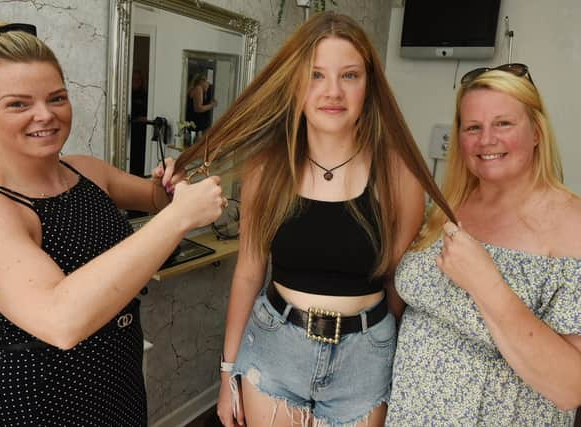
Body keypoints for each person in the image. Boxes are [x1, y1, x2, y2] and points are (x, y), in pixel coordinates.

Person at [174, 12, 454, 427]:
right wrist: (226, 373)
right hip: (275, 349)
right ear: (295, 85)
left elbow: (397, 281)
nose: (333, 92)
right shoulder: (267, 166)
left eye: (350, 76)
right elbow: (250, 272)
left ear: (369, 86)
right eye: (316, 75)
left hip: (365, 359)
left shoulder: (398, 173)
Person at [0, 19, 225, 426]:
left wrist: (171, 182)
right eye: (18, 104)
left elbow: (156, 199)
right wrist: (181, 217)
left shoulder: (87, 171)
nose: (45, 115)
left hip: (117, 374)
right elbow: (60, 320)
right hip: (38, 399)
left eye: (57, 98)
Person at [386, 64, 581, 425]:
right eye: (472, 127)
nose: (486, 139)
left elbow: (571, 388)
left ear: (537, 132)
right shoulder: (444, 206)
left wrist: (485, 283)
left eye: (503, 124)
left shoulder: (573, 227)